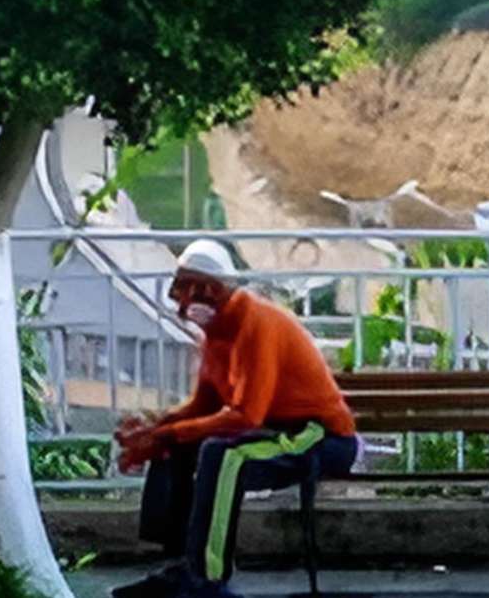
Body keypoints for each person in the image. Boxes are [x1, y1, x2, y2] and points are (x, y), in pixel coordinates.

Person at [111, 241, 359, 598]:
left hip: (318, 436)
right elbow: (202, 405)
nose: (179, 303)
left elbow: (246, 415)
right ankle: (182, 561)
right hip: (274, 431)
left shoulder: (256, 323)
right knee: (178, 447)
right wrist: (158, 429)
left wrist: (167, 433)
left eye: (183, 289)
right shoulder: (216, 335)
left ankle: (208, 579)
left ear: (208, 289)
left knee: (224, 454)